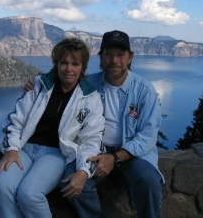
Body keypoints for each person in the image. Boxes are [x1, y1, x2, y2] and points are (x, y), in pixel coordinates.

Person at [25, 30, 164, 218]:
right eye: (109, 55)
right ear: (101, 57)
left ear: (129, 58)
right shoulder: (89, 84)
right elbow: (62, 80)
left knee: (148, 180)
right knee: (70, 182)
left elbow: (147, 137)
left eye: (120, 55)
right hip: (94, 150)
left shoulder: (144, 91)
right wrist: (36, 84)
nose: (114, 60)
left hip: (133, 155)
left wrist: (114, 158)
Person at [0, 37, 105, 218]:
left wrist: (84, 171)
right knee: (2, 187)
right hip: (24, 148)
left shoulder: (90, 99)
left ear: (82, 67)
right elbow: (16, 118)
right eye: (64, 63)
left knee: (30, 194)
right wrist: (12, 149)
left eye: (75, 64)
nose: (69, 69)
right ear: (56, 64)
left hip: (55, 154)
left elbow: (91, 140)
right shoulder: (39, 85)